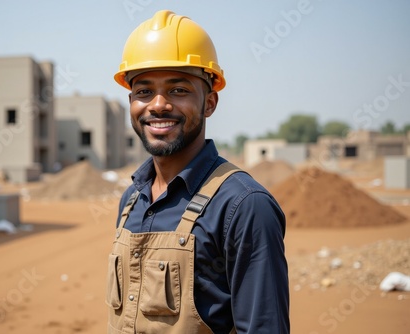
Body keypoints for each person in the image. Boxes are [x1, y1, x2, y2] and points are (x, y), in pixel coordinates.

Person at [106, 10, 289, 333]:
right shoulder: (132, 200)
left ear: (209, 103)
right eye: (143, 91)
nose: (158, 105)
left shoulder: (244, 206)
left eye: (178, 90)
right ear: (131, 101)